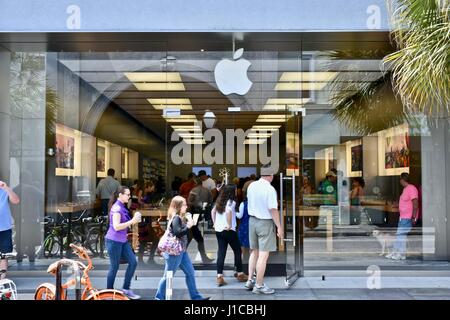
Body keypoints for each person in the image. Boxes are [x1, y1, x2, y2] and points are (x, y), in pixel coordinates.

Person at [155, 196, 209, 300]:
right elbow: (178, 232)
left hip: (181, 251)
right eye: (184, 204)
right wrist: (188, 226)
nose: (186, 206)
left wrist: (188, 221)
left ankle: (196, 297)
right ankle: (159, 298)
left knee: (190, 272)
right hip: (174, 252)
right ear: (178, 206)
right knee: (168, 276)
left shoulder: (179, 216)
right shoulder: (176, 218)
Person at [245, 166, 283, 294]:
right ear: (270, 175)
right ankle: (259, 285)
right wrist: (279, 226)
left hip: (252, 221)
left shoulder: (251, 186)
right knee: (263, 255)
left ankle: (250, 280)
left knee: (253, 252)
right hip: (265, 223)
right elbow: (273, 209)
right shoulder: (270, 189)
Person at [105, 186, 142, 299]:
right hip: (114, 241)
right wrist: (133, 220)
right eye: (127, 194)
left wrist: (133, 220)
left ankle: (126, 288)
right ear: (120, 195)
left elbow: (125, 224)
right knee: (114, 267)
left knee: (133, 262)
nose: (129, 196)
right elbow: (116, 227)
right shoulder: (117, 208)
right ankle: (108, 293)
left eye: (129, 194)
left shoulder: (122, 206)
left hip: (122, 241)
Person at [212, 184, 249, 286]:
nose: (237, 191)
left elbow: (213, 211)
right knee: (237, 250)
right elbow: (228, 211)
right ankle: (240, 274)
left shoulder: (219, 200)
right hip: (229, 230)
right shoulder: (231, 202)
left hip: (219, 230)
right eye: (236, 190)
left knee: (221, 252)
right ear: (232, 192)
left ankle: (219, 277)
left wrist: (215, 223)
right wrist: (228, 224)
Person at [387, 172, 419, 260]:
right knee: (400, 235)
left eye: (400, 179)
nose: (399, 181)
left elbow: (415, 203)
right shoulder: (405, 189)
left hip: (408, 217)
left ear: (402, 179)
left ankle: (401, 254)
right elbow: (405, 202)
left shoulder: (411, 188)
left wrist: (414, 217)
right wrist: (396, 205)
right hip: (403, 216)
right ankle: (396, 252)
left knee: (401, 235)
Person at [187, 178, 214, 264]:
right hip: (200, 213)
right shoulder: (207, 190)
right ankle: (204, 257)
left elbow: (190, 201)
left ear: (195, 183)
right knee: (194, 236)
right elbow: (210, 201)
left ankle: (204, 257)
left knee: (192, 235)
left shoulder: (193, 190)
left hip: (193, 214)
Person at [0, 180, 20, 279]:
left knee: (4, 254)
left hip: (4, 228)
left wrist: (6, 188)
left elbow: (16, 201)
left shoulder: (4, 190)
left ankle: (2, 281)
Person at [237, 196, 250, 266]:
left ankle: (240, 265)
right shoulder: (254, 203)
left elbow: (240, 216)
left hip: (244, 227)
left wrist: (234, 212)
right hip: (252, 226)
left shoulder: (243, 204)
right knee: (253, 249)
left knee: (241, 247)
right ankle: (253, 268)